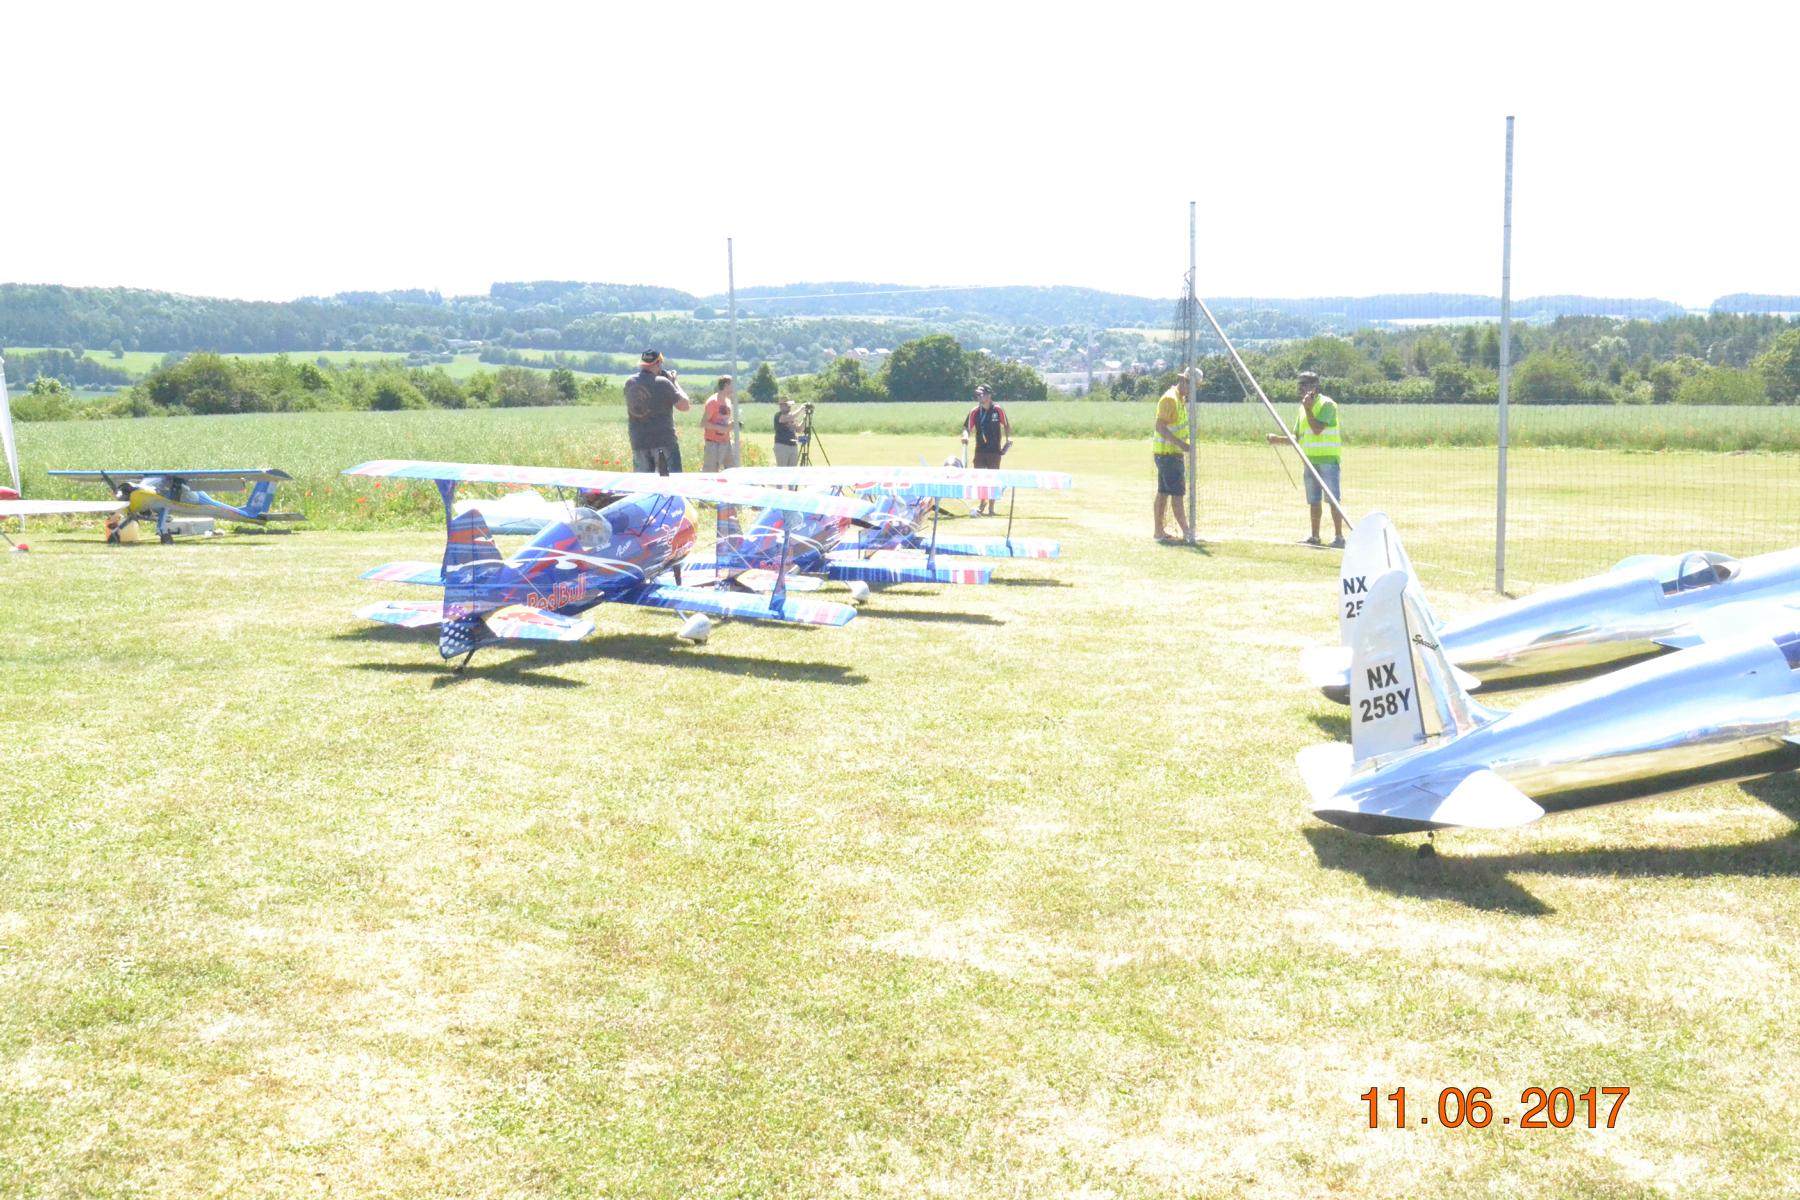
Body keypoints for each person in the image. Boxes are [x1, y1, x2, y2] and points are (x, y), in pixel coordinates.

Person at [1266, 369, 1343, 547]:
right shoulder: (1302, 408)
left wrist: (1308, 409)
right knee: (1314, 501)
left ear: (1314, 387)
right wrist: (1277, 439)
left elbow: (1317, 429)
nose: (1300, 388)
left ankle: (1339, 537)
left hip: (1328, 461)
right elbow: (1297, 437)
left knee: (1333, 500)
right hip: (1309, 461)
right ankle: (1315, 537)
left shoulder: (1327, 404)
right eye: (1299, 385)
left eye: (1304, 385)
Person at [623, 349, 691, 473]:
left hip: (638, 441)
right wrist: (674, 382)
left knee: (643, 481)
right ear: (658, 363)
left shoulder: (630, 382)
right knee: (670, 480)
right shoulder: (663, 383)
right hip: (663, 441)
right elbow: (684, 405)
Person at [1152, 372, 1194, 543]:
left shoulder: (1180, 399)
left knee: (1163, 493)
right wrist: (1181, 444)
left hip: (1169, 454)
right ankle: (1187, 532)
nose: (1194, 391)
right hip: (1168, 455)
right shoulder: (1170, 399)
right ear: (1184, 381)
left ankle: (1159, 531)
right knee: (1177, 494)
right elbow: (1160, 427)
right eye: (1193, 386)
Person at [960, 384, 1011, 516]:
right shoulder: (975, 411)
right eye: (977, 395)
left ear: (989, 395)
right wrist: (965, 436)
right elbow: (966, 428)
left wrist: (1008, 439)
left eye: (981, 394)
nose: (978, 397)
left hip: (994, 450)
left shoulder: (997, 409)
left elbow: (1006, 425)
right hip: (980, 450)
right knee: (980, 479)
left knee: (993, 478)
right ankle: (982, 503)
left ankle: (991, 508)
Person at [702, 376, 738, 472]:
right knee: (711, 472)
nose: (734, 387)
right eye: (733, 385)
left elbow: (725, 420)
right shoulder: (713, 402)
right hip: (713, 444)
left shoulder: (728, 401)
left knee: (732, 470)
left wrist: (731, 424)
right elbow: (704, 423)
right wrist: (720, 428)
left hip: (727, 442)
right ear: (726, 385)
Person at [772, 396, 802, 467]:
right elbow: (787, 418)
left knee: (792, 470)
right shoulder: (778, 415)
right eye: (787, 405)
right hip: (782, 446)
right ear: (781, 406)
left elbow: (799, 429)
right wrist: (801, 409)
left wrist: (805, 416)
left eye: (789, 405)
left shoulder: (791, 416)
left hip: (793, 446)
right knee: (782, 470)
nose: (789, 407)